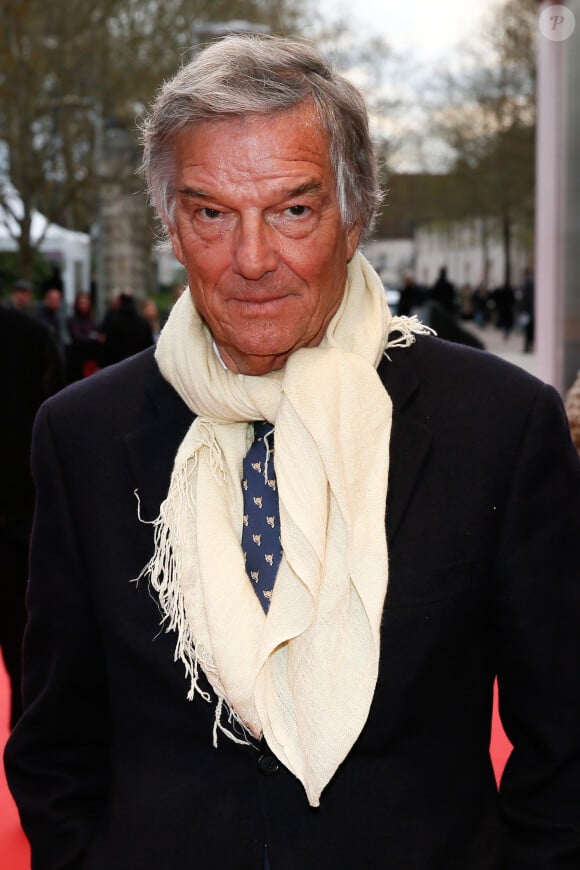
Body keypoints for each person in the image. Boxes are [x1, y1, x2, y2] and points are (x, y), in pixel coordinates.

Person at [4, 34, 580, 870]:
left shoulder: (498, 427)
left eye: (293, 210)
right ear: (170, 226)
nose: (252, 260)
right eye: (211, 213)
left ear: (354, 217)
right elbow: (55, 741)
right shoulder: (81, 436)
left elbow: (564, 739)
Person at [0, 307, 64, 730]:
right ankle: (27, 728)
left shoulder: (33, 334)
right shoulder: (33, 333)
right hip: (20, 511)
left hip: (20, 513)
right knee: (24, 640)